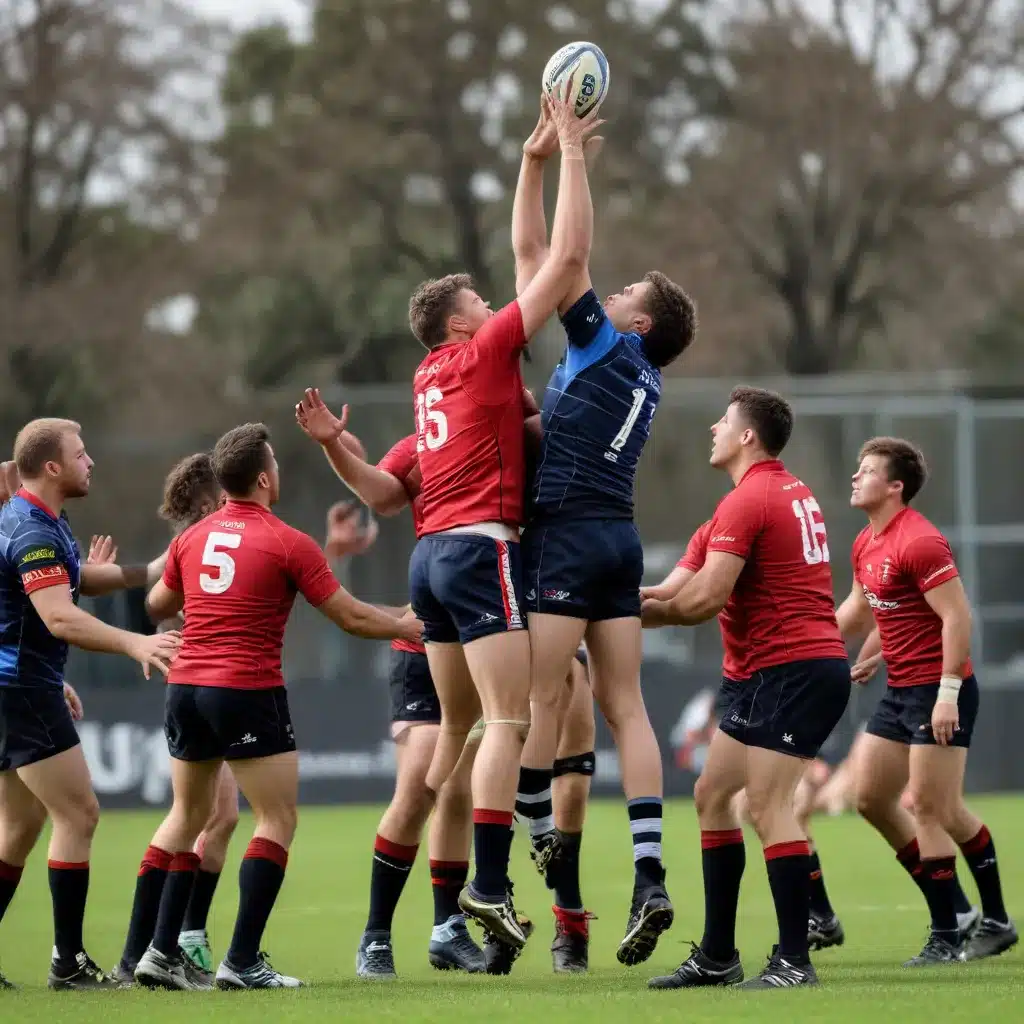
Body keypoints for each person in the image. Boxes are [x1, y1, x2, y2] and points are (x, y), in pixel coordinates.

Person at [396, 82, 600, 953]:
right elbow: (560, 259)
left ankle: (435, 922)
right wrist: (572, 154)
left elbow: (525, 268)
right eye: (480, 301)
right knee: (509, 722)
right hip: (482, 550)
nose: (493, 305)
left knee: (461, 730)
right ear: (457, 323)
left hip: (429, 557)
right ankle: (484, 887)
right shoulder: (479, 352)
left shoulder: (429, 376)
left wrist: (528, 162)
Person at [295, 408, 600, 974]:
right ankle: (376, 938)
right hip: (427, 643)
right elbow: (382, 491)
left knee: (462, 788)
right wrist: (335, 449)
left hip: (500, 640)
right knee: (420, 788)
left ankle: (449, 927)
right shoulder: (429, 439)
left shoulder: (532, 443)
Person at [125, 423, 421, 991]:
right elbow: (352, 617)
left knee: (186, 816)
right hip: (245, 689)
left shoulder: (193, 538)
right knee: (277, 818)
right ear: (264, 478)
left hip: (185, 687)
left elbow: (157, 601)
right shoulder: (286, 541)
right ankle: (241, 961)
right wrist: (405, 623)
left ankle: (157, 953)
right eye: (277, 465)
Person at [508, 93, 697, 967]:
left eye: (628, 295)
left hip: (567, 539)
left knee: (543, 700)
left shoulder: (605, 348)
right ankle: (652, 874)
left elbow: (565, 254)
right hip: (620, 538)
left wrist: (572, 151)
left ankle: (538, 832)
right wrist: (534, 162)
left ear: (641, 324)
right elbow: (532, 261)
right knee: (627, 707)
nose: (609, 292)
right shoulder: (642, 377)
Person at [641, 387, 851, 990]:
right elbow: (672, 591)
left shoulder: (750, 500)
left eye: (723, 421)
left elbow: (702, 601)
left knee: (766, 804)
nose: (714, 428)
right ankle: (717, 955)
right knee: (713, 793)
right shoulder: (752, 500)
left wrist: (608, 617)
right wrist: (601, 610)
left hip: (794, 669)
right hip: (764, 674)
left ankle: (793, 961)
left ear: (747, 437)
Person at [0, 418, 181, 990]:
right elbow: (57, 615)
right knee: (78, 814)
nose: (91, 462)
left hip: (23, 684)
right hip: (20, 688)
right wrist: (134, 640)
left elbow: (79, 581)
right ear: (52, 467)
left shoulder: (39, 514)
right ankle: (69, 963)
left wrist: (156, 568)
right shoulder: (32, 529)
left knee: (19, 825)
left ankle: (66, 960)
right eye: (81, 454)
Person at [836, 436, 1016, 965]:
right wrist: (819, 645)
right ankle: (964, 913)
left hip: (940, 691)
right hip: (900, 692)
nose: (856, 477)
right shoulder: (867, 541)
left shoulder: (921, 542)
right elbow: (864, 609)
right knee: (870, 798)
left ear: (896, 487)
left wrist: (948, 694)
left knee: (933, 808)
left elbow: (956, 619)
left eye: (867, 471)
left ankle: (957, 928)